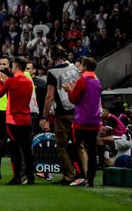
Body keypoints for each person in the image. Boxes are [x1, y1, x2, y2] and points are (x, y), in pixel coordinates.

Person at [42, 45, 83, 185]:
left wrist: (44, 117)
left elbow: (49, 96)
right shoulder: (74, 68)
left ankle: (69, 176)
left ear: (53, 56)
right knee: (79, 145)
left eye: (49, 54)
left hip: (63, 113)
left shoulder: (52, 72)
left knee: (61, 145)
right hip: (79, 111)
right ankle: (84, 174)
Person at [63, 57, 102, 188]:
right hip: (94, 121)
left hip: (81, 121)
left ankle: (80, 174)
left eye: (81, 65)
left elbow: (74, 99)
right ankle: (90, 179)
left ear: (85, 66)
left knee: (73, 148)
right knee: (92, 152)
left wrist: (69, 90)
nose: (79, 66)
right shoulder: (97, 81)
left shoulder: (82, 80)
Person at [0, 57, 35, 185]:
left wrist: (0, 82)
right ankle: (30, 177)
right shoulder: (29, 82)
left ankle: (16, 177)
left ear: (16, 66)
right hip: (26, 119)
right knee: (27, 149)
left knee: (15, 149)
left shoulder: (11, 81)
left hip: (13, 120)